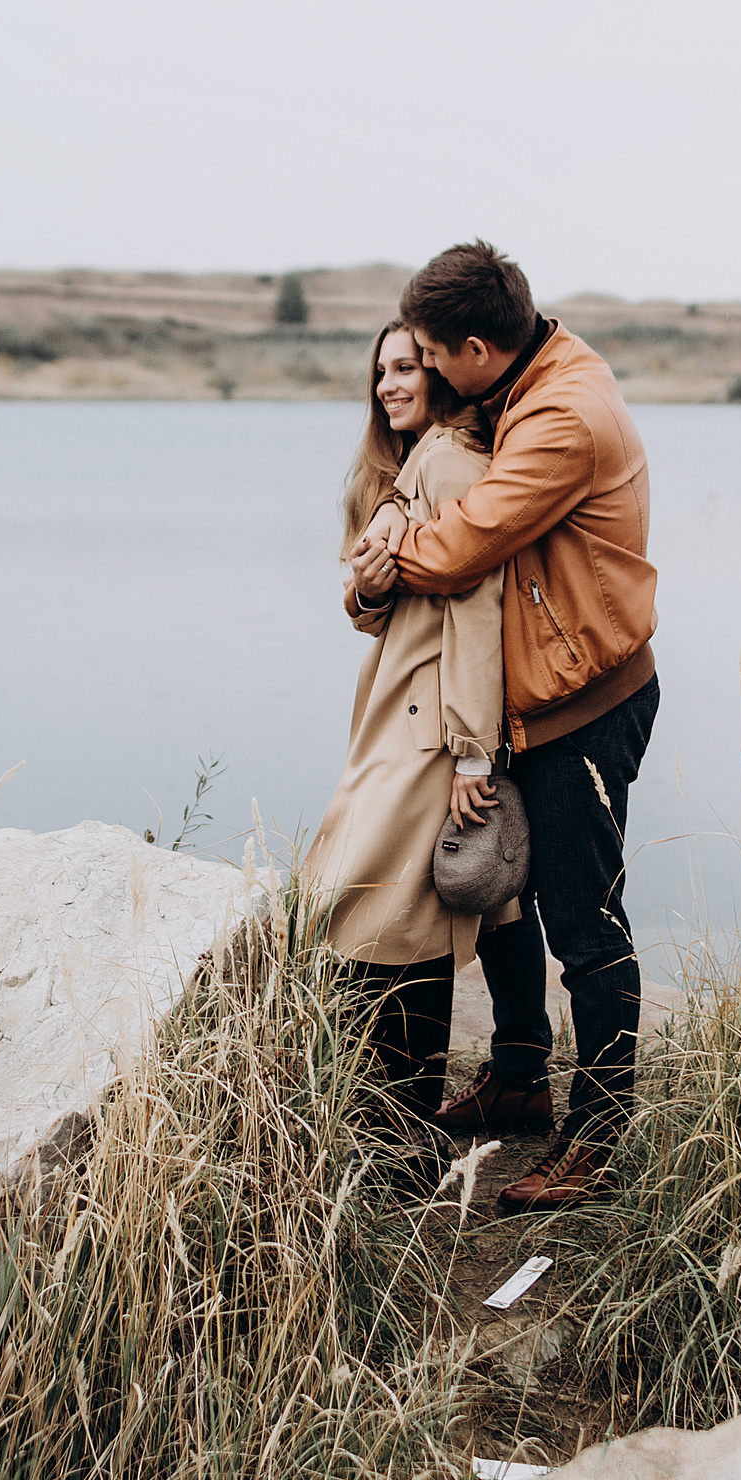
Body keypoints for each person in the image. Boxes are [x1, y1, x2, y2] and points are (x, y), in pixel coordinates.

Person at [350, 240, 659, 1212]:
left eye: (435, 355)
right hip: (544, 699)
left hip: (587, 704)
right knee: (503, 901)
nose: (428, 374)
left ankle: (596, 1139)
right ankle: (521, 1075)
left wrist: (391, 546)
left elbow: (470, 541)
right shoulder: (528, 378)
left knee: (585, 924)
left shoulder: (562, 417)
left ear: (479, 347)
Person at [303, 318, 515, 1174]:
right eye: (380, 369)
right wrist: (366, 587)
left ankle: (399, 1130)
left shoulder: (454, 462)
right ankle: (387, 1121)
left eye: (406, 367)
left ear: (441, 374)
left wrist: (471, 748)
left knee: (391, 913)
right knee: (384, 909)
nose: (389, 383)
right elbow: (372, 610)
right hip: (399, 710)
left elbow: (477, 605)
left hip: (432, 723)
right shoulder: (402, 467)